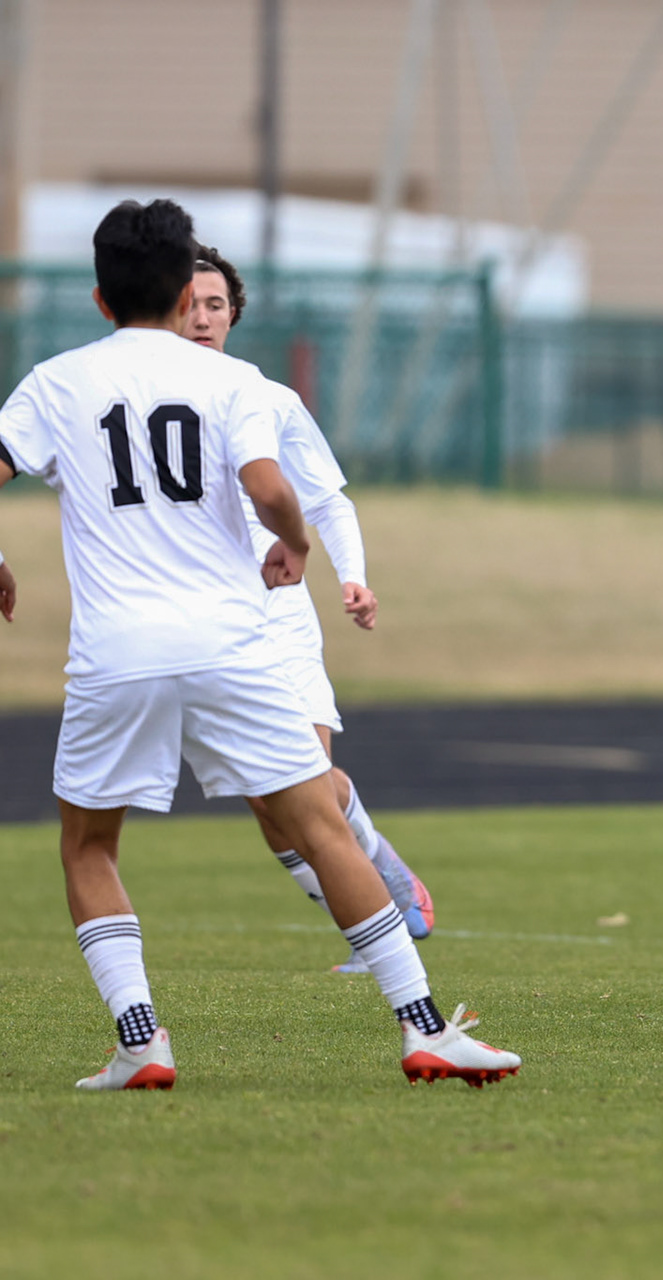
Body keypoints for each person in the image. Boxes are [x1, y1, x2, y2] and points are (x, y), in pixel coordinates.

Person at [0, 198, 518, 1090]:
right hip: (232, 644)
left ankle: (142, 1043)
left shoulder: (54, 381)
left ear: (98, 297)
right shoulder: (234, 383)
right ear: (180, 293)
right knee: (323, 829)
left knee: (89, 847)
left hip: (116, 652)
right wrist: (297, 544)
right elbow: (271, 486)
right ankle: (424, 1028)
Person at [187, 246, 435, 970]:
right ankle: (364, 922)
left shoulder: (267, 398)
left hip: (277, 615)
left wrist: (351, 577)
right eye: (189, 303)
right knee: (267, 806)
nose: (202, 318)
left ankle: (383, 899)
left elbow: (327, 498)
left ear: (233, 314)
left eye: (215, 304)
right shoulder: (142, 401)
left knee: (306, 784)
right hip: (204, 627)